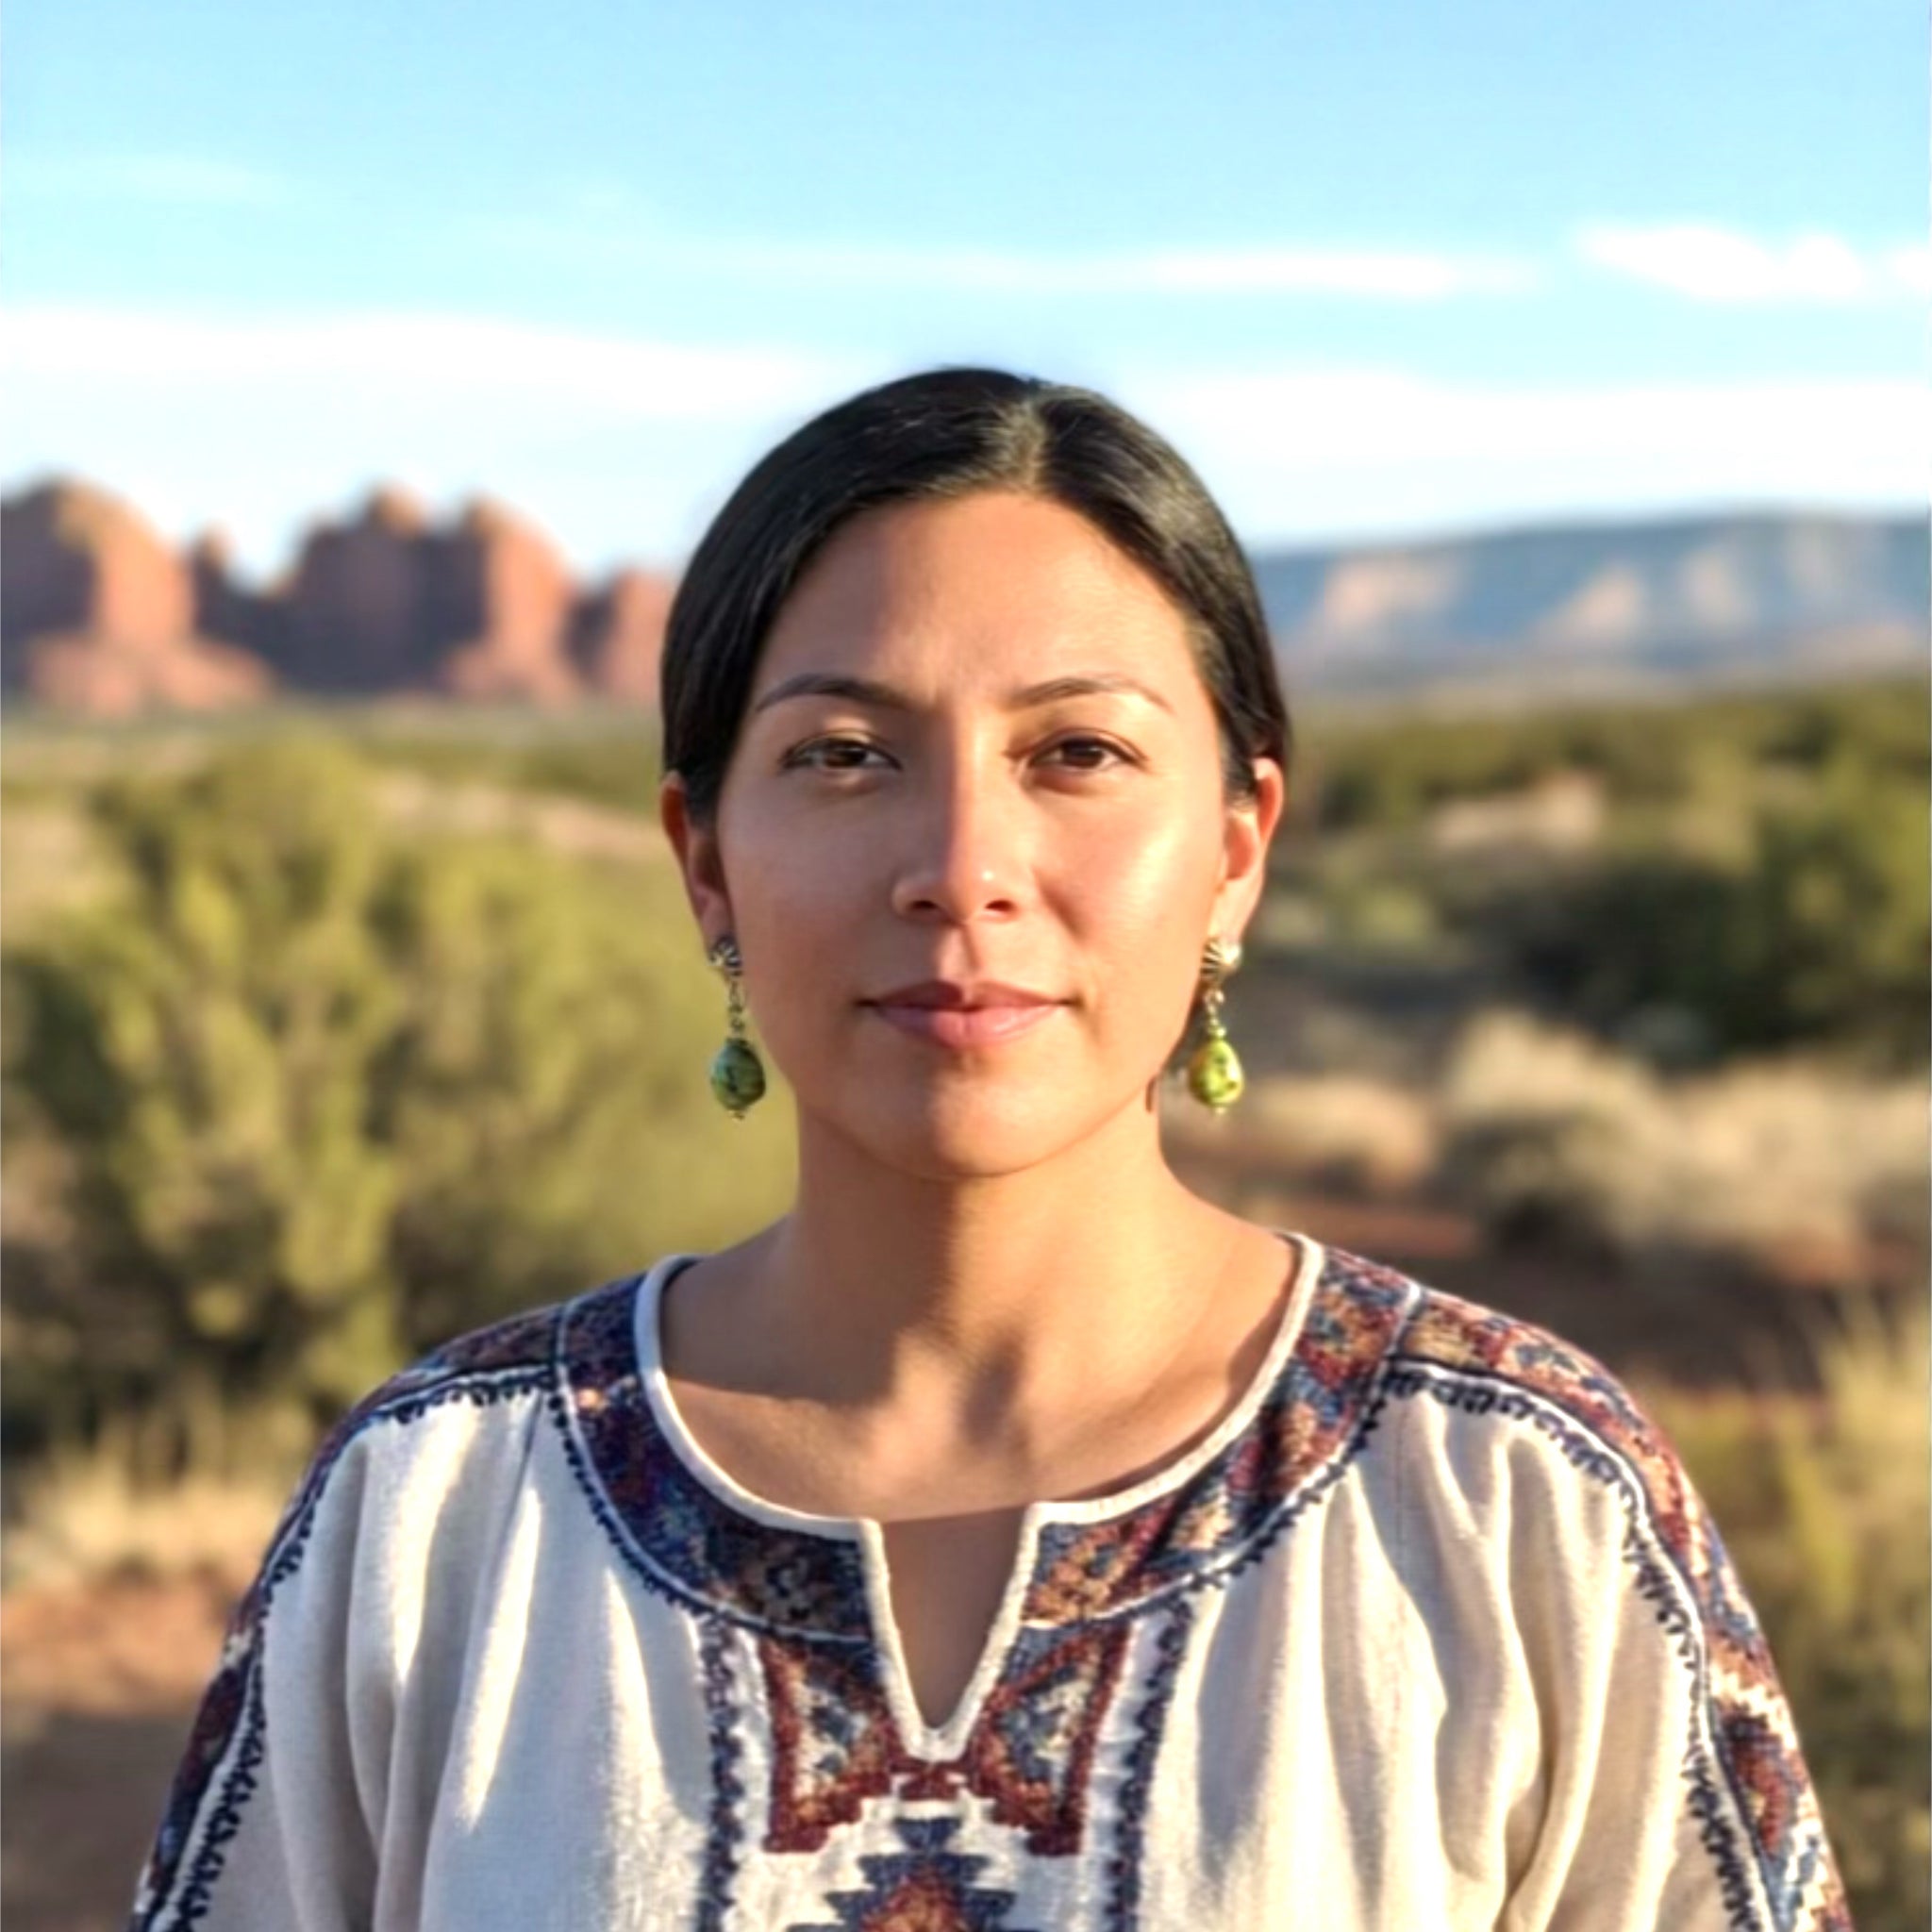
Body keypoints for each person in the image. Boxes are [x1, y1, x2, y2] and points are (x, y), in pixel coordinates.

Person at [130, 369, 1849, 1930]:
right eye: (845, 756)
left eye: (1077, 753)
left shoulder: (1510, 1500)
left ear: (1239, 848)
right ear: (705, 860)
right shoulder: (439, 1514)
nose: (963, 863)